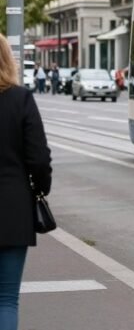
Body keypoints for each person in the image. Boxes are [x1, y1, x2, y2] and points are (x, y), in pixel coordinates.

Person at [0, 34, 53, 330]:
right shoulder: (21, 99)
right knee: (6, 299)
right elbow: (39, 159)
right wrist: (41, 189)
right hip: (12, 209)